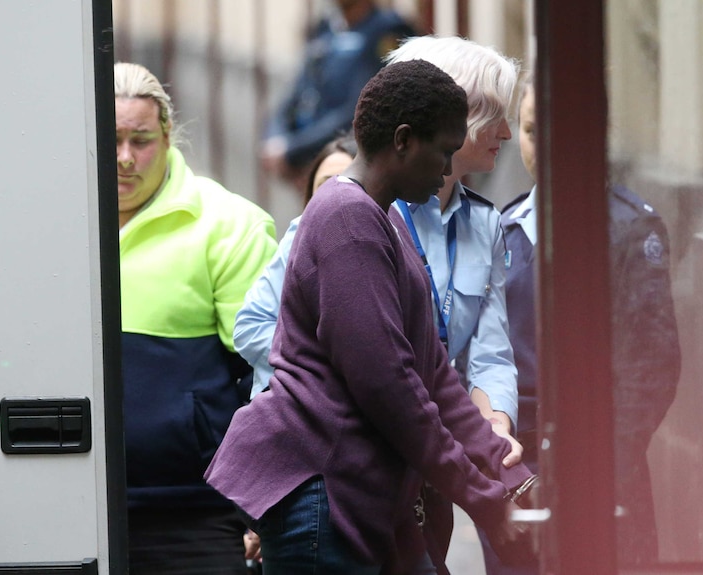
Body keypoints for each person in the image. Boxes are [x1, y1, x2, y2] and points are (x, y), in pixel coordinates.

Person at [205, 59, 537, 575]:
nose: (448, 170)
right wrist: (483, 498)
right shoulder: (348, 221)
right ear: (403, 140)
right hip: (321, 487)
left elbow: (433, 374)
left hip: (356, 489)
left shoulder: (381, 218)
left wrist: (503, 468)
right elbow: (391, 388)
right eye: (443, 152)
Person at [491, 76, 681, 572]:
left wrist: (606, 465)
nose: (545, 146)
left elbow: (653, 366)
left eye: (560, 129)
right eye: (532, 130)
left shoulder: (630, 227)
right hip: (515, 468)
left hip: (602, 465)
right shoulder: (503, 228)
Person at [115, 62, 278, 574]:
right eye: (111, 139)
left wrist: (260, 506)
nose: (124, 158)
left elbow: (268, 377)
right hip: (67, 492)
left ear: (167, 136)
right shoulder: (44, 222)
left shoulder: (231, 226)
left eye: (140, 140)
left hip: (195, 511)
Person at [382, 35, 523, 566]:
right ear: (452, 117)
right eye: (495, 119)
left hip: (431, 473)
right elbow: (263, 327)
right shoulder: (362, 211)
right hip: (362, 468)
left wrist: (496, 427)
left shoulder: (485, 223)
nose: (507, 134)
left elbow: (490, 350)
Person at [235, 133, 358, 397]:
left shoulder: (389, 241)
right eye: (325, 185)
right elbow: (249, 326)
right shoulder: (297, 238)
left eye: (348, 184)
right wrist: (316, 366)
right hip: (295, 402)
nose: (336, 195)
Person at [260, 0, 415, 191]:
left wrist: (293, 152)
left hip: (348, 158)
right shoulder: (326, 27)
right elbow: (297, 92)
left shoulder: (387, 30)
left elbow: (360, 108)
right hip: (306, 158)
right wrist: (276, 140)